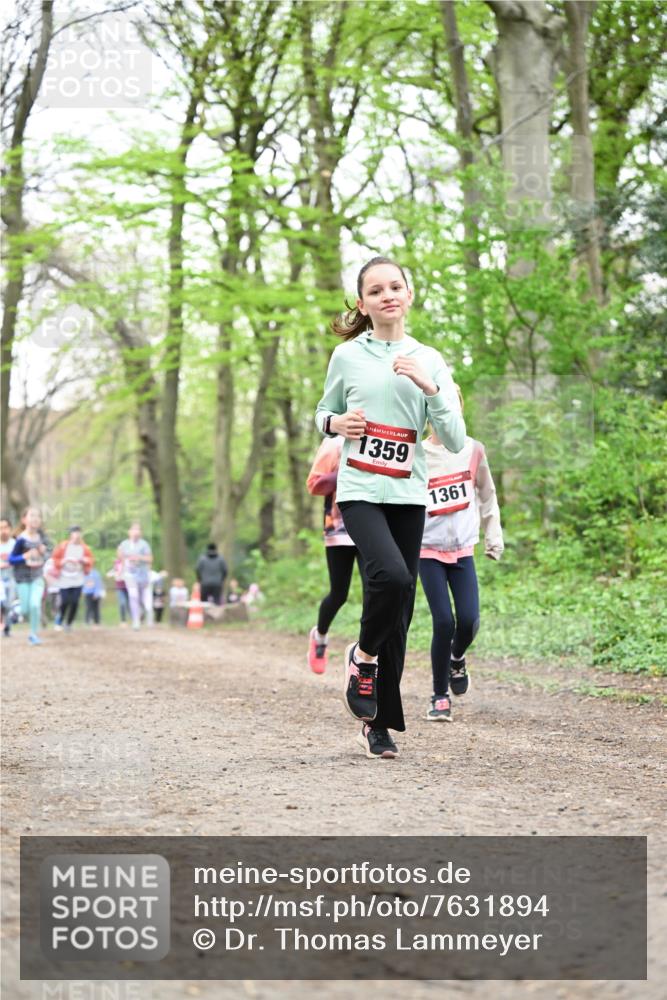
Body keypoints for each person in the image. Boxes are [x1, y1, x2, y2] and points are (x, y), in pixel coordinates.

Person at [315, 256, 465, 760]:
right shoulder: (347, 356)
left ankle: (378, 725)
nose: (387, 296)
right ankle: (362, 656)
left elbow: (455, 439)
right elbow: (322, 412)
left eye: (395, 287)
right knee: (393, 577)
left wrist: (430, 388)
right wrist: (336, 424)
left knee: (400, 612)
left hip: (407, 494)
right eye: (376, 291)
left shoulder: (430, 358)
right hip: (359, 490)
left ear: (409, 294)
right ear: (363, 304)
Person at [419, 388, 504, 722]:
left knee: (468, 621)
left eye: (452, 406)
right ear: (429, 412)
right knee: (443, 621)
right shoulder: (417, 454)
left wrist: (493, 537)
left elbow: (487, 494)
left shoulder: (473, 450)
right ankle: (439, 695)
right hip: (427, 550)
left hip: (462, 550)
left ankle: (457, 657)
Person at [306, 435, 361, 673]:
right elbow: (313, 484)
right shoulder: (334, 444)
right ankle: (320, 636)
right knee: (339, 593)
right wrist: (347, 472)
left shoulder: (381, 437)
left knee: (376, 591)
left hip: (374, 528)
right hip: (338, 529)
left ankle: (366, 655)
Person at [8, 507, 52, 645]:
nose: (35, 518)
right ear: (24, 520)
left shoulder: (43, 538)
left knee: (35, 605)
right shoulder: (20, 539)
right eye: (32, 515)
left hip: (37, 577)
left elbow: (49, 556)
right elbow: (11, 559)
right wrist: (25, 556)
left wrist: (44, 553)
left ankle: (33, 635)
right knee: (25, 609)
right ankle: (16, 608)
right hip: (22, 578)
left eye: (38, 516)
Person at [52, 526, 94, 631]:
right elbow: (55, 559)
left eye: (79, 533)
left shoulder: (84, 548)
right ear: (71, 534)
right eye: (75, 532)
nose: (77, 535)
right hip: (64, 578)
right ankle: (59, 621)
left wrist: (85, 561)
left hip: (78, 579)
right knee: (65, 601)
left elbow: (90, 560)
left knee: (75, 601)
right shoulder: (63, 546)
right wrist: (62, 562)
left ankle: (69, 623)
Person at [117, 523, 152, 629]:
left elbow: (150, 559)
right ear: (129, 532)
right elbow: (120, 558)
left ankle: (141, 612)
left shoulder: (144, 544)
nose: (135, 532)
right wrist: (121, 570)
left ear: (141, 533)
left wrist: (139, 558)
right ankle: (135, 620)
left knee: (141, 598)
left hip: (142, 575)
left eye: (138, 530)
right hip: (130, 575)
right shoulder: (124, 544)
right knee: (133, 596)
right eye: (133, 530)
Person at [0, 516, 16, 636]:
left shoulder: (15, 544)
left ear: (10, 529)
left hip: (12, 578)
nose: (3, 530)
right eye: (1, 528)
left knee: (8, 604)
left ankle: (7, 628)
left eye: (5, 527)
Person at [106, 557, 130, 625]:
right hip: (120, 587)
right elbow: (109, 574)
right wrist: (115, 572)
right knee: (122, 603)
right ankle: (123, 620)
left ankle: (135, 618)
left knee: (130, 604)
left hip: (129, 587)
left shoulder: (128, 563)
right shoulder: (116, 565)